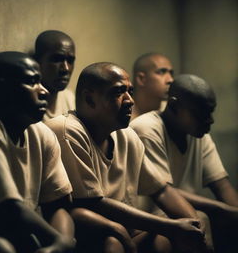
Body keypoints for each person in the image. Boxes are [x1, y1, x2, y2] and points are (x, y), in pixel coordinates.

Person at [45, 62, 210, 253]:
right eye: (118, 92)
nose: (130, 100)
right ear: (89, 99)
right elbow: (91, 204)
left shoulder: (126, 135)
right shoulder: (67, 131)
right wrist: (170, 226)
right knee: (114, 243)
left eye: (130, 91)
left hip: (127, 233)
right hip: (91, 235)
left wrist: (194, 225)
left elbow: (161, 190)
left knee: (192, 223)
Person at [130, 74, 238, 253]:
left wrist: (233, 212)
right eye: (201, 113)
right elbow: (162, 191)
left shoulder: (198, 133)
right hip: (149, 223)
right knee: (198, 222)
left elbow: (222, 186)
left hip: (184, 218)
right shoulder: (146, 129)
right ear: (173, 106)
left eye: (211, 112)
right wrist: (222, 210)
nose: (210, 120)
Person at [0, 51, 76, 253]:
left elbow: (57, 206)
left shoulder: (41, 133)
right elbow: (7, 208)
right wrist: (58, 243)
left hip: (21, 238)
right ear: (2, 87)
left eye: (40, 81)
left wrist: (60, 244)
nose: (44, 91)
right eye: (32, 82)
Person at [34, 30, 76, 121]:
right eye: (57, 59)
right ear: (37, 62)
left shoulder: (69, 98)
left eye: (70, 61)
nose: (66, 68)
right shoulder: (29, 108)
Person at [131, 53, 174, 120]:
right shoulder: (121, 116)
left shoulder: (172, 113)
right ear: (141, 79)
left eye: (171, 73)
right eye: (162, 72)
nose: (170, 80)